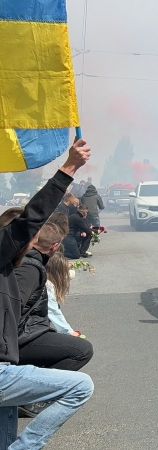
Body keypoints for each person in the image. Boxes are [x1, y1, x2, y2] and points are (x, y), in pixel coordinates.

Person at [0, 138, 94, 449]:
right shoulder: (15, 266)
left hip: (9, 364)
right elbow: (32, 217)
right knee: (81, 386)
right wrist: (68, 168)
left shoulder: (13, 270)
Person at [46, 250, 81, 337]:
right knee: (83, 348)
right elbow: (53, 311)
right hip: (26, 330)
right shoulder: (48, 286)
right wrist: (69, 332)